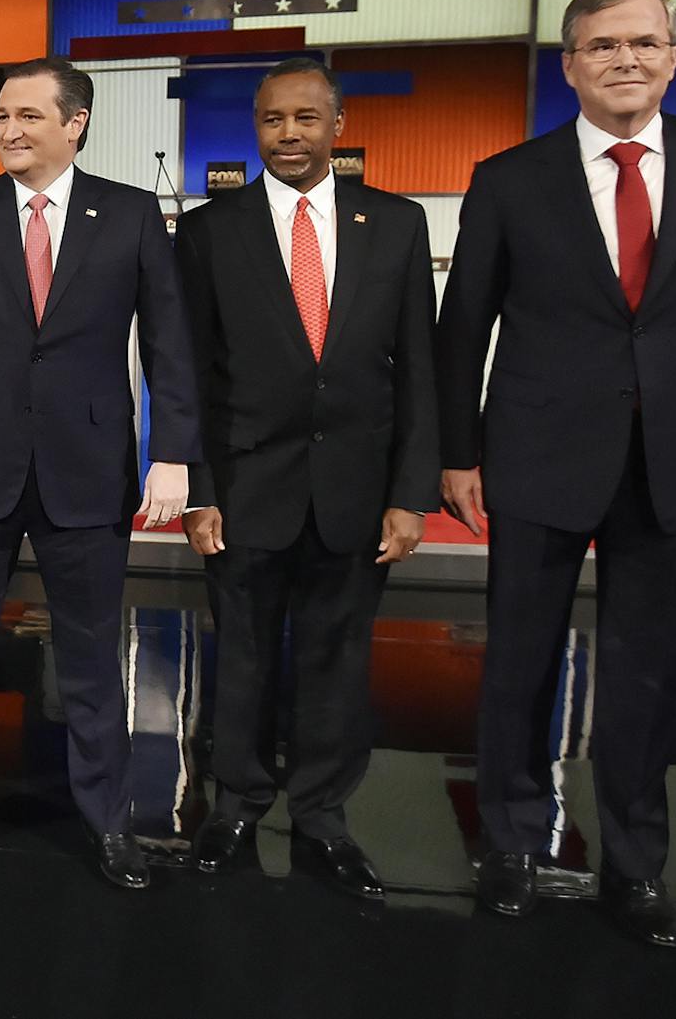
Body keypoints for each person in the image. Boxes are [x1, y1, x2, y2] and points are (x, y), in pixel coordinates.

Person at [437, 0, 676, 946]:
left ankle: (638, 865)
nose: (625, 60)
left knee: (648, 678)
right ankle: (514, 845)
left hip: (672, 459)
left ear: (674, 56)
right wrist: (456, 453)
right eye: (602, 46)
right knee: (519, 663)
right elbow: (461, 330)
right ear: (570, 65)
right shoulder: (510, 178)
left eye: (644, 42)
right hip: (536, 456)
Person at [0, 56, 199, 886]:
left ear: (76, 123)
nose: (10, 130)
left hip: (89, 470)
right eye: (1, 116)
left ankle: (109, 823)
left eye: (29, 115)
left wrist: (171, 454)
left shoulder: (131, 216)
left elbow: (170, 344)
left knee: (95, 660)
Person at [174, 57, 439, 899]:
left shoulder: (395, 224)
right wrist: (201, 487)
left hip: (357, 491)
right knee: (243, 658)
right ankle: (237, 804)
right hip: (247, 485)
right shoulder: (210, 231)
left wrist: (411, 490)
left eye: (305, 118)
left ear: (337, 123)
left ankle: (325, 817)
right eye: (272, 120)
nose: (289, 134)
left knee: (337, 660)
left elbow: (419, 372)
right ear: (256, 127)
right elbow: (191, 375)